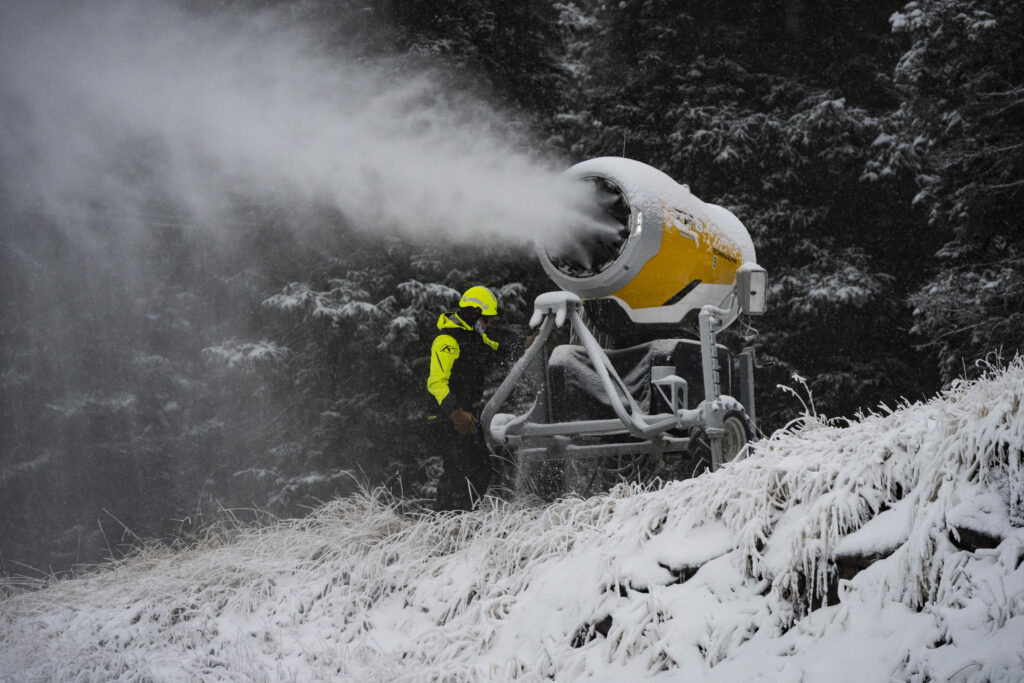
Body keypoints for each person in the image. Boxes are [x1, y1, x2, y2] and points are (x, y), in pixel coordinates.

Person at [426, 285, 502, 511]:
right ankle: (444, 524)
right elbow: (436, 382)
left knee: (480, 469)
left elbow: (498, 350)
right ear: (473, 313)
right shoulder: (447, 340)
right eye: (486, 320)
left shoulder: (475, 338)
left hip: (467, 417)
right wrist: (455, 413)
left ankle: (463, 518)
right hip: (448, 418)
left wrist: (527, 343)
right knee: (457, 471)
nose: (488, 325)